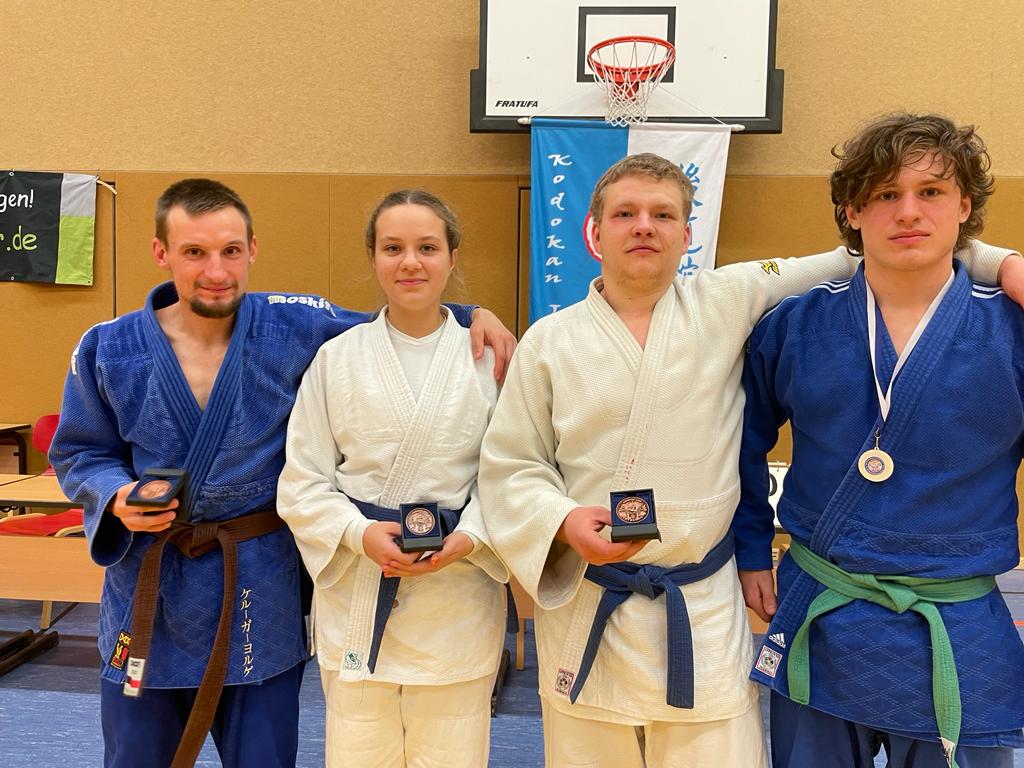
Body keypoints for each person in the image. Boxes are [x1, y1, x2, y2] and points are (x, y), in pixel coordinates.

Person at [476, 152, 1024, 768]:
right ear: (593, 232)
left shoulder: (726, 297)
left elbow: (881, 245)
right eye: (625, 213)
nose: (643, 227)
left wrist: (1000, 261)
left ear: (687, 236)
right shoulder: (549, 341)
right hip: (592, 596)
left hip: (701, 600)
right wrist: (561, 521)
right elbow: (512, 464)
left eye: (663, 215)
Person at [48, 178, 516, 768]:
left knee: (265, 757)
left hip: (256, 583)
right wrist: (114, 496)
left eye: (231, 251)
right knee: (137, 755)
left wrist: (473, 314)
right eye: (194, 252)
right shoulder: (107, 347)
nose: (216, 269)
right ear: (161, 253)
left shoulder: (292, 325)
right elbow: (79, 452)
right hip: (154, 578)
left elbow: (400, 320)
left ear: (252, 251)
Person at [734, 113, 1024, 768]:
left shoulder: (1010, 328)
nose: (908, 212)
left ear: (965, 207)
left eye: (931, 193)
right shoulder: (795, 325)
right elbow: (740, 441)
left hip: (955, 617)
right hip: (821, 609)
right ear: (852, 210)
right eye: (886, 194)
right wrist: (751, 548)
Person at [276, 189, 510, 768]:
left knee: (452, 754)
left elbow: (514, 474)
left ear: (452, 258)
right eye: (393, 248)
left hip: (457, 593)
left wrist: (470, 538)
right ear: (374, 257)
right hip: (360, 582)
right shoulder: (337, 358)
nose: (411, 262)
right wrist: (359, 535)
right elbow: (302, 480)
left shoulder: (491, 358)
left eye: (427, 247)